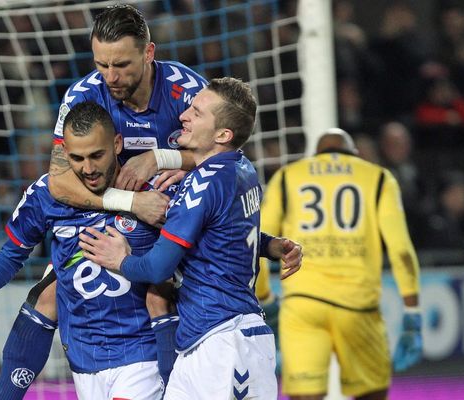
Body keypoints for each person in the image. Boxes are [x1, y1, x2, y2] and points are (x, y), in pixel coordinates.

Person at [0, 5, 208, 398]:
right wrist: (129, 202)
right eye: (101, 64)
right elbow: (59, 181)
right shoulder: (85, 94)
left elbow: (224, 152)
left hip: (174, 216)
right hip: (115, 210)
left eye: (121, 65)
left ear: (148, 53)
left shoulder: (187, 90)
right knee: (47, 296)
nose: (110, 76)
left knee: (161, 297)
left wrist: (163, 158)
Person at [78, 77, 303, 399]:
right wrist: (269, 245)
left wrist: (120, 259)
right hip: (204, 340)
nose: (183, 115)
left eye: (197, 112)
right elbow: (227, 232)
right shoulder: (241, 168)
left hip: (226, 344)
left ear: (223, 135)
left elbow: (157, 269)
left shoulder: (204, 184)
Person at [0, 102, 171, 400]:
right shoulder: (46, 195)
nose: (88, 168)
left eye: (96, 155)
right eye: (77, 158)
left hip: (142, 353)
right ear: (63, 153)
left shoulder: (152, 193)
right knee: (47, 290)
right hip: (83, 359)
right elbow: (13, 253)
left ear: (117, 144)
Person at [256, 128, 422, 400]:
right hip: (358, 307)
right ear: (354, 154)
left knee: (305, 396)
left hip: (303, 305)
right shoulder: (377, 177)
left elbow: (257, 242)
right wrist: (412, 312)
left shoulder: (289, 176)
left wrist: (265, 297)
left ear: (315, 155)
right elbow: (401, 250)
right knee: (371, 394)